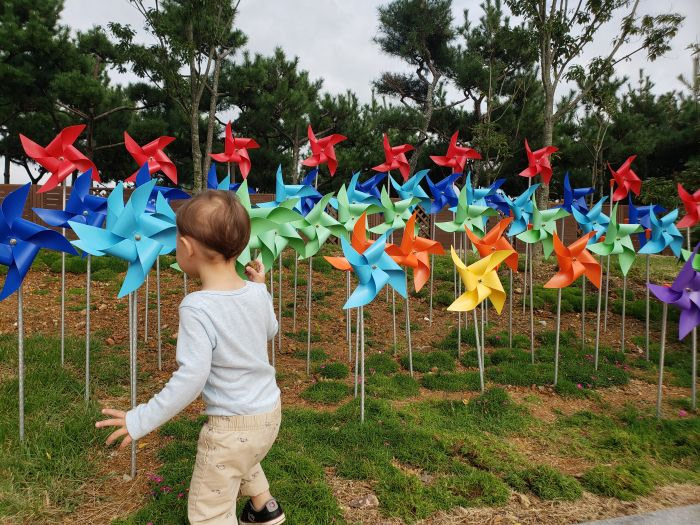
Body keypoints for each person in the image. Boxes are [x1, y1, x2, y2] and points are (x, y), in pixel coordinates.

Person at [95, 190, 285, 525]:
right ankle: (264, 507)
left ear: (186, 248)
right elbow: (270, 330)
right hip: (269, 414)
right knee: (246, 454)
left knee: (208, 511)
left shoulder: (197, 307)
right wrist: (262, 288)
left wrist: (140, 419)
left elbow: (191, 379)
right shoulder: (257, 292)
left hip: (230, 426)